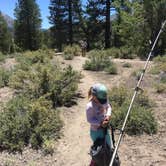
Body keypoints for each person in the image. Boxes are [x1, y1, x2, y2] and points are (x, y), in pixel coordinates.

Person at [86, 83, 113, 166]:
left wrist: (108, 116)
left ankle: (107, 160)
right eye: (99, 100)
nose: (102, 103)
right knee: (99, 149)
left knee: (108, 146)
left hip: (104, 129)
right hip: (95, 132)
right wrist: (100, 123)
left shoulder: (103, 99)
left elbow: (108, 107)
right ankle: (94, 162)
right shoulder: (90, 106)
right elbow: (89, 119)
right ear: (93, 96)